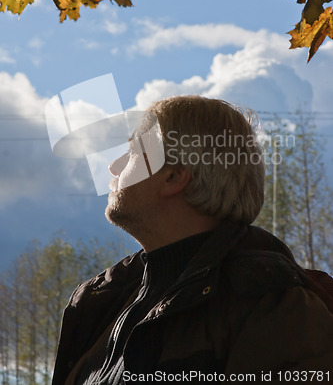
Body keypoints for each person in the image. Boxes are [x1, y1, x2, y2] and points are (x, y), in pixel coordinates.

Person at [52, 96, 333, 385]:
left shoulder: (275, 310)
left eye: (133, 151)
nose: (114, 167)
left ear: (173, 176)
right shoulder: (102, 303)